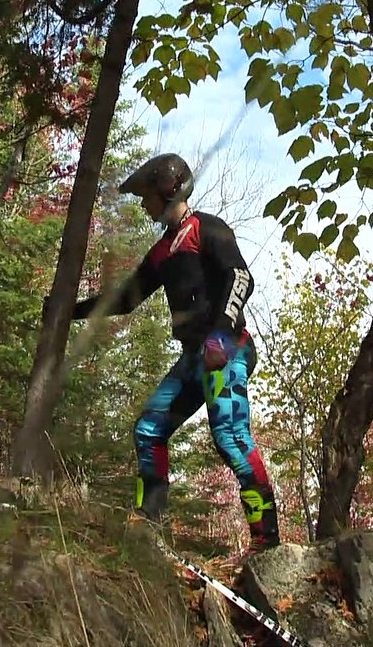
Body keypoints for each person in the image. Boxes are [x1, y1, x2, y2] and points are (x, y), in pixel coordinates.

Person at [68, 153, 280, 553]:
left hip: (228, 349)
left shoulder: (208, 228)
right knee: (149, 429)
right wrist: (71, 311)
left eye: (147, 196)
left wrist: (219, 336)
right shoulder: (162, 251)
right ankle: (147, 524)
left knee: (231, 437)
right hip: (192, 359)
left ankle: (267, 542)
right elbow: (127, 298)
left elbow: (241, 277)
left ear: (169, 190)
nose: (144, 204)